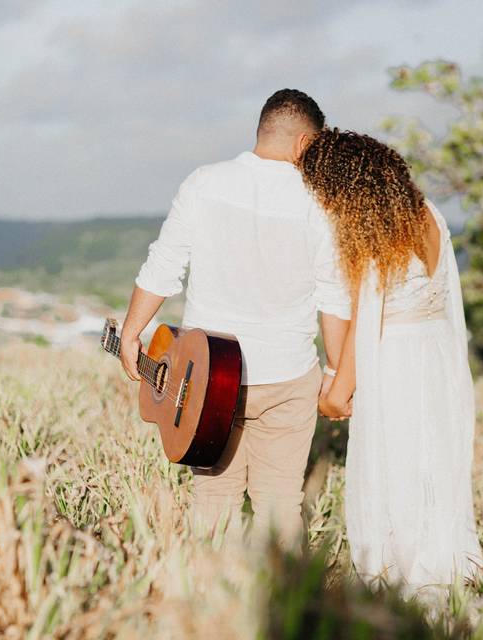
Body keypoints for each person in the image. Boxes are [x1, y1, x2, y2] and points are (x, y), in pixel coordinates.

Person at [119, 89, 351, 550]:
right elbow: (334, 298)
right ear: (306, 143)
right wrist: (334, 372)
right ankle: (284, 609)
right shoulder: (321, 204)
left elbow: (164, 265)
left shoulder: (204, 183)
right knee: (280, 505)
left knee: (213, 501)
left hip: (206, 378)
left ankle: (209, 606)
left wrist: (131, 332)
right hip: (288, 375)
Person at [300, 129, 483, 591]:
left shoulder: (377, 234)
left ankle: (402, 576)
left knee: (396, 462)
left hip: (396, 358)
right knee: (433, 460)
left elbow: (368, 317)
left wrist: (338, 391)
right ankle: (441, 563)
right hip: (436, 352)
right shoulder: (429, 215)